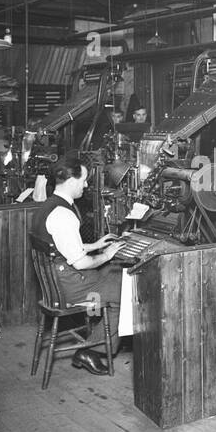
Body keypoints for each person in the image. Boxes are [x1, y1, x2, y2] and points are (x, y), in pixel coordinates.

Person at [29, 156, 124, 375]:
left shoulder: (49, 206)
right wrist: (107, 254)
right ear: (72, 180)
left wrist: (95, 245)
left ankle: (96, 339)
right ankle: (91, 350)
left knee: (113, 272)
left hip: (57, 281)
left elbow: (65, 246)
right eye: (84, 181)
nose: (86, 185)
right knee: (128, 291)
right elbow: (80, 263)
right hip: (69, 289)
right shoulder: (64, 214)